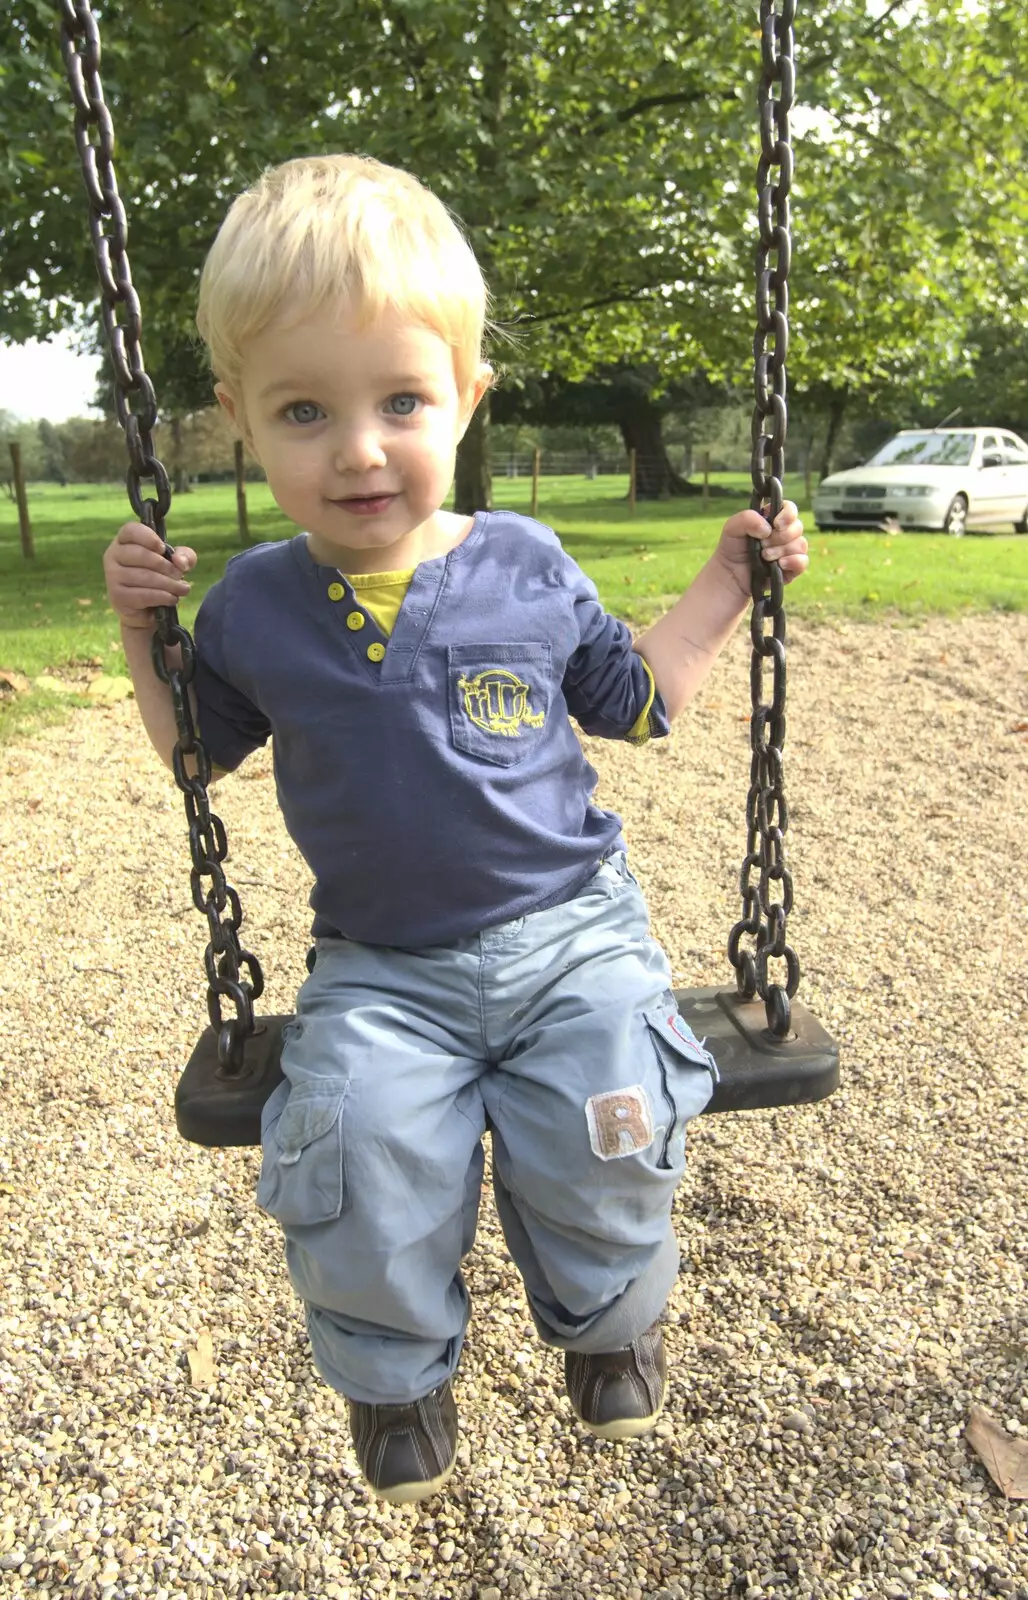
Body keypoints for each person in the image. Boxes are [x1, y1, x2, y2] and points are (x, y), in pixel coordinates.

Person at [103, 154, 809, 1506]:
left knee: (610, 1124)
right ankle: (394, 1377)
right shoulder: (252, 607)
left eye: (401, 401)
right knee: (357, 1147)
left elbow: (639, 701)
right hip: (383, 966)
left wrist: (727, 580)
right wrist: (149, 633)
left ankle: (608, 1328)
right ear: (239, 423)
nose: (358, 449)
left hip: (571, 939)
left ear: (467, 398)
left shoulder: (529, 565)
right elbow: (194, 754)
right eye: (304, 410)